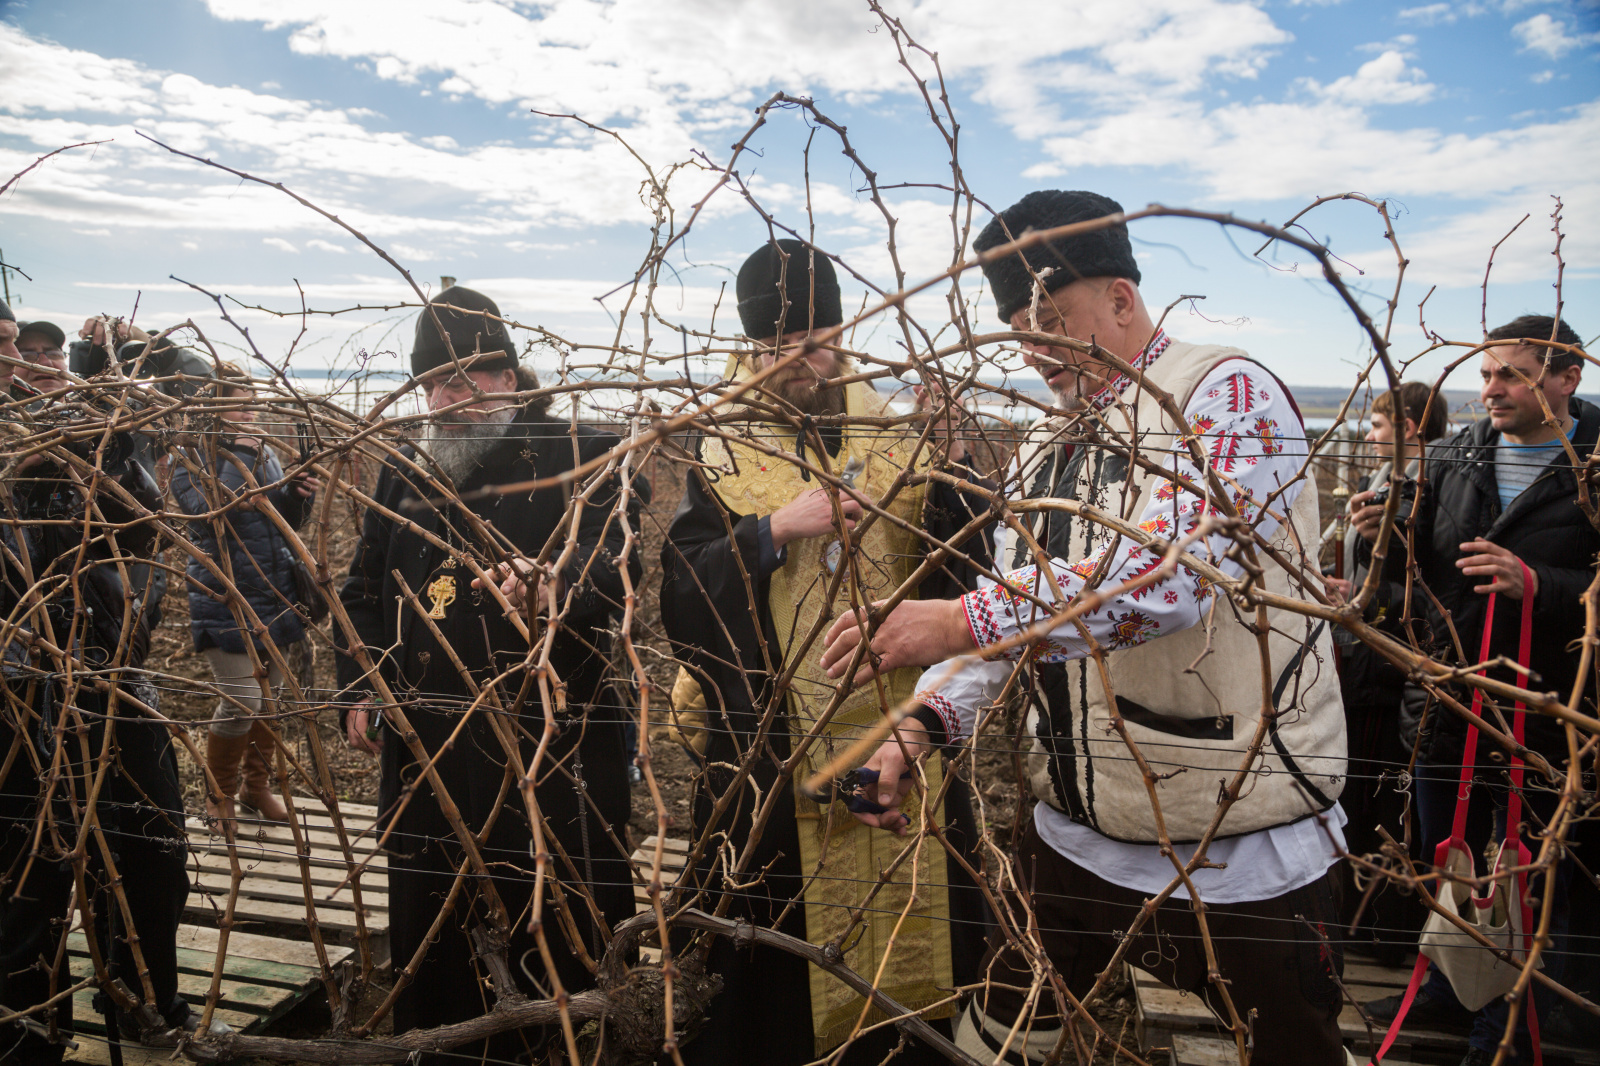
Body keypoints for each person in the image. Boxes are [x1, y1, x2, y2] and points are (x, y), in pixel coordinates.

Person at [820, 191, 1350, 1066]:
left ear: (1120, 296)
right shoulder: (1044, 443)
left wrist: (954, 620)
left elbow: (1171, 576)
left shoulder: (1228, 394)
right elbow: (1009, 607)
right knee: (999, 1037)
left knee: (1291, 1049)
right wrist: (923, 723)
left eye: (1049, 322)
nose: (1034, 351)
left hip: (1237, 845)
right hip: (1069, 832)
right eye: (1017, 332)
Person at [658, 238, 995, 1065]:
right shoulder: (721, 450)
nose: (795, 362)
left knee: (918, 935)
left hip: (899, 740)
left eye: (813, 342)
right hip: (774, 757)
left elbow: (965, 580)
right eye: (775, 347)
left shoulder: (896, 436)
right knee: (770, 975)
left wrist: (955, 464)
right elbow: (681, 597)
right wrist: (771, 529)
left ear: (841, 332)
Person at [336, 287, 643, 1060]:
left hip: (548, 757)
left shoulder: (582, 451)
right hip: (427, 757)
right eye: (433, 385)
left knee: (559, 956)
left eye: (466, 379)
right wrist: (362, 684)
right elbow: (360, 591)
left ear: (508, 376)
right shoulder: (405, 469)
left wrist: (555, 585)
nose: (448, 401)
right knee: (434, 954)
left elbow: (620, 563)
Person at [1352, 315, 1597, 1064]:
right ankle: (1447, 991)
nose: (1491, 389)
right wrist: (1377, 539)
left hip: (1554, 711)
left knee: (1533, 876)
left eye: (1513, 374)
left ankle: (1514, 1028)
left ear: (1569, 378)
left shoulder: (1596, 463)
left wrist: (1540, 584)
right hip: (1449, 701)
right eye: (1486, 374)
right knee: (1446, 857)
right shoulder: (1452, 456)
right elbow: (1417, 577)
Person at [0, 298, 199, 1059]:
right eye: (12, 352)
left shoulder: (94, 433)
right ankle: (27, 1038)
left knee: (153, 850)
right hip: (16, 696)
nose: (28, 366)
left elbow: (186, 405)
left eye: (41, 351)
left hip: (114, 676)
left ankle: (148, 1002)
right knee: (30, 874)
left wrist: (134, 357)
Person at [171, 364, 320, 830]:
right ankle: (219, 795)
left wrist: (297, 494)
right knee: (242, 701)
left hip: (274, 592)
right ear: (210, 409)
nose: (250, 412)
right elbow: (209, 516)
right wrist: (239, 456)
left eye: (252, 403)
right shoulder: (189, 459)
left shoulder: (262, 451)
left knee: (270, 701)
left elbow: (281, 522)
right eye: (238, 404)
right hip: (225, 597)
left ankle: (257, 788)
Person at [1330, 382, 1447, 960]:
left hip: (1391, 667)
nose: (1370, 435)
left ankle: (1383, 932)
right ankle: (1360, 924)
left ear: (1408, 428)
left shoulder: (1424, 488)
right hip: (1368, 658)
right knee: (1360, 791)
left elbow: (1425, 586)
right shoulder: (1386, 483)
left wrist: (1367, 603)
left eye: (1378, 425)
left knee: (1382, 798)